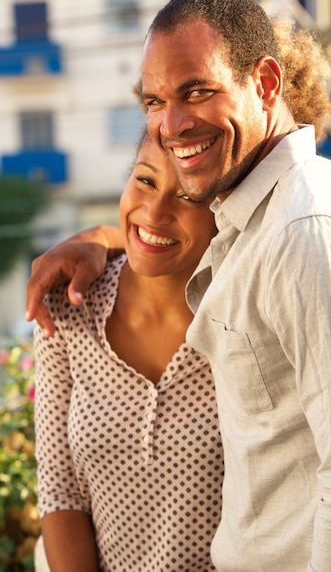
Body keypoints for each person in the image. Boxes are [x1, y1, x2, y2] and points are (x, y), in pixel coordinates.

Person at [27, 0, 331, 571]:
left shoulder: (309, 232)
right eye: (155, 101)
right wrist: (105, 239)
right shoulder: (250, 224)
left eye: (198, 91)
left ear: (264, 83)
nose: (172, 124)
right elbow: (166, 234)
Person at [34, 131, 222, 571]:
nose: (155, 212)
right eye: (145, 181)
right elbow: (60, 491)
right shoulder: (68, 308)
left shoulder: (245, 318)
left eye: (190, 198)